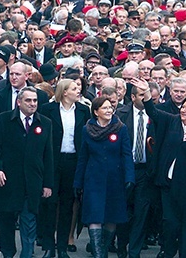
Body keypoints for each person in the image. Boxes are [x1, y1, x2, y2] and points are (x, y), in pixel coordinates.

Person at [130, 77, 186, 258]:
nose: (183, 110)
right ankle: (168, 252)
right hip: (170, 188)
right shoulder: (172, 121)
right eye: (183, 107)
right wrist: (146, 92)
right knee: (170, 225)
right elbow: (152, 111)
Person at [0, 87, 54, 258]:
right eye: (28, 100)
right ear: (19, 102)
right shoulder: (4, 119)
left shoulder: (45, 123)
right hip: (8, 180)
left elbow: (48, 155)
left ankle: (27, 253)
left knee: (29, 219)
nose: (32, 104)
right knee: (7, 220)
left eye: (35, 101)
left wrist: (48, 183)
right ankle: (8, 253)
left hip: (32, 181)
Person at [73, 96, 135, 258]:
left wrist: (129, 177)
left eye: (110, 107)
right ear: (96, 112)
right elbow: (83, 157)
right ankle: (99, 255)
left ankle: (103, 248)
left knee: (111, 217)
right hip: (93, 179)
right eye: (105, 108)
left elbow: (126, 154)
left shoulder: (120, 128)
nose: (109, 111)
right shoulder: (87, 129)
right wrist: (78, 182)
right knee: (94, 215)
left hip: (115, 179)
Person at [39, 79, 91, 258]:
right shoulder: (48, 109)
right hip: (53, 160)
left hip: (73, 161)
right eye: (74, 88)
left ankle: (62, 246)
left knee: (68, 205)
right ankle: (49, 246)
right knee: (50, 203)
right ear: (64, 92)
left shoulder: (84, 110)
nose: (78, 91)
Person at [115, 85, 157, 258]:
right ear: (132, 97)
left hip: (146, 171)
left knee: (141, 212)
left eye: (150, 97)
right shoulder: (120, 114)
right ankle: (122, 245)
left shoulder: (157, 116)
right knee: (124, 211)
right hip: (125, 169)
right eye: (142, 95)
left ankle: (135, 252)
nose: (147, 99)